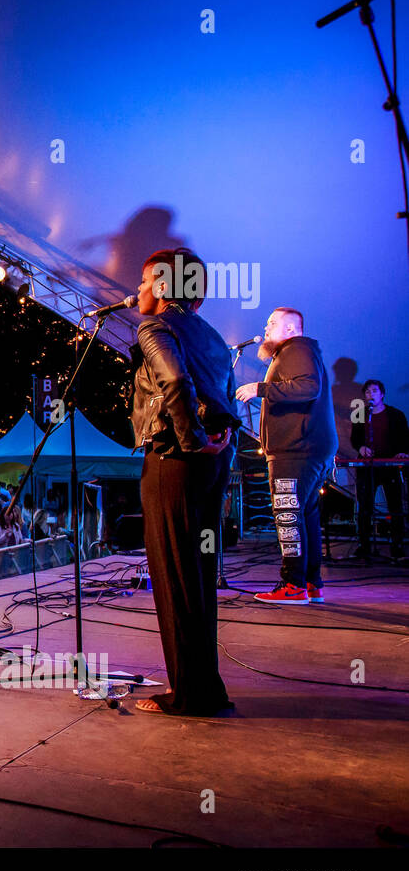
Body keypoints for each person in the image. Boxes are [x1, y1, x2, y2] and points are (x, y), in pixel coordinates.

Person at [130, 248, 237, 716]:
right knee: (198, 576)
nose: (135, 292)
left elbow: (173, 380)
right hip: (211, 463)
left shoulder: (155, 327)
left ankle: (189, 695)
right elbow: (227, 397)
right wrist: (215, 445)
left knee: (174, 577)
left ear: (160, 284)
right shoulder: (211, 335)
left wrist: (191, 441)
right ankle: (205, 688)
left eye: (141, 281)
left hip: (175, 460)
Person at [236, 307, 338, 602]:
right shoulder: (296, 351)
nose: (265, 328)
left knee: (288, 515)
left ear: (292, 329)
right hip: (306, 449)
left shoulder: (296, 349)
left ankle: (292, 585)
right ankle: (310, 584)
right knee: (304, 516)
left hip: (296, 450)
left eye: (272, 323)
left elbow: (308, 387)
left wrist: (261, 388)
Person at [350, 379, 409, 558]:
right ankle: (364, 546)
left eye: (374, 391)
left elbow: (405, 438)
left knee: (395, 505)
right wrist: (361, 448)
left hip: (389, 465)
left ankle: (397, 545)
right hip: (368, 467)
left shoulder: (396, 414)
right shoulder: (359, 414)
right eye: (367, 392)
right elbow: (355, 438)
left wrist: (402, 453)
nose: (370, 394)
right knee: (364, 507)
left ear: (382, 394)